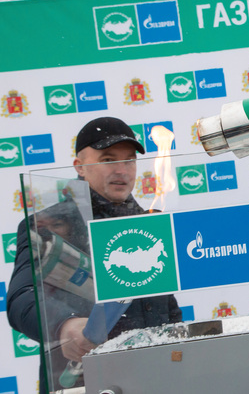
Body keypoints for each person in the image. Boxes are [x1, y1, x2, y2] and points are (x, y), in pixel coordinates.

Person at [6, 117, 182, 394]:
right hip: (83, 382)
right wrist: (65, 325)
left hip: (153, 378)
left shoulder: (149, 223)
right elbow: (21, 298)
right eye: (108, 159)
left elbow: (166, 307)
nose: (122, 170)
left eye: (129, 160)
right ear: (80, 167)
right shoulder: (50, 225)